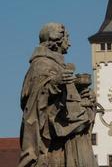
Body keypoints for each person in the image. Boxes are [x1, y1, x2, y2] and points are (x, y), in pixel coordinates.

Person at [18, 23, 98, 167]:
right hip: (55, 144)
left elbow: (67, 103)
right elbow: (31, 102)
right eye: (67, 38)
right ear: (56, 39)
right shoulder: (41, 64)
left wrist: (84, 95)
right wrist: (54, 84)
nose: (70, 43)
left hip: (68, 139)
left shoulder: (57, 65)